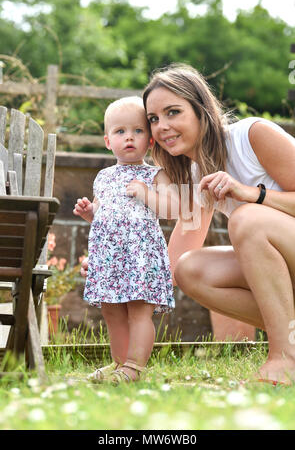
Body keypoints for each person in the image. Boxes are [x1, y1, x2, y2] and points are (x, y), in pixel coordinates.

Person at [141, 63, 295, 386]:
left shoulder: (251, 136)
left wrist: (251, 194)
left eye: (173, 112)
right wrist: (114, 266)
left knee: (247, 220)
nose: (162, 126)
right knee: (190, 269)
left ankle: (285, 358)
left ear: (201, 110)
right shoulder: (198, 177)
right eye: (154, 119)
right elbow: (170, 265)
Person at [74, 96, 177, 384]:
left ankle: (135, 365)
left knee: (138, 312)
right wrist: (90, 213)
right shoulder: (103, 177)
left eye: (138, 131)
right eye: (120, 132)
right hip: (110, 256)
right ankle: (119, 364)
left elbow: (171, 210)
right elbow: (106, 217)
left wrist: (146, 193)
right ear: (108, 141)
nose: (129, 137)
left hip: (142, 256)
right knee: (112, 312)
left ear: (151, 141)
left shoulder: (156, 174)